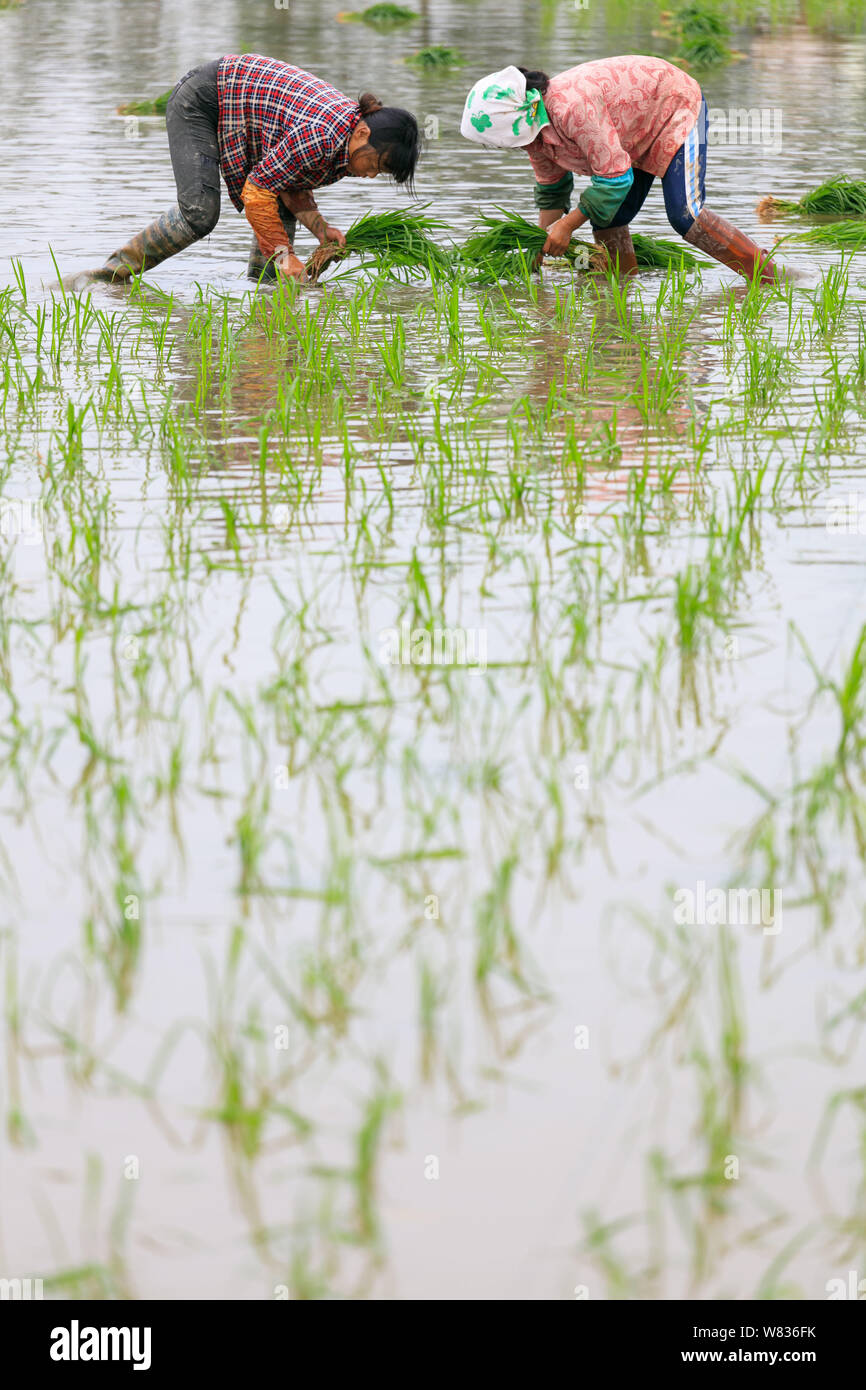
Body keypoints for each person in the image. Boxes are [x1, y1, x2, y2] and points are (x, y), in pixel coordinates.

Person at [79, 54, 421, 286]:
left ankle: (264, 308)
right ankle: (108, 277)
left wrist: (321, 229)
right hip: (202, 100)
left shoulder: (345, 143)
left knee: (280, 238)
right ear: (363, 133)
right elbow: (257, 191)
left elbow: (289, 181)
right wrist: (285, 255)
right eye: (375, 164)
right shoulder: (323, 134)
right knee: (200, 213)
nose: (371, 174)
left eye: (381, 173)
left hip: (241, 110)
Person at [460, 58, 777, 282]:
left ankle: (771, 278)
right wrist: (538, 243)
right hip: (631, 132)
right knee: (607, 216)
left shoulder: (572, 109)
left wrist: (567, 228)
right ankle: (621, 290)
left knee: (685, 216)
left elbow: (614, 179)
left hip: (672, 106)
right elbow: (552, 190)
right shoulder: (533, 136)